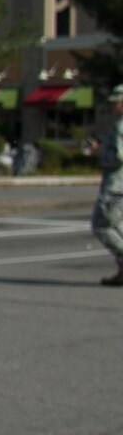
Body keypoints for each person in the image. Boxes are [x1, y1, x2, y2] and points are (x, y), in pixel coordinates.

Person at [96, 83, 123, 287]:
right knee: (119, 227)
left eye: (117, 102)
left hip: (117, 184)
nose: (113, 106)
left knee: (102, 225)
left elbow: (118, 156)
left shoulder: (121, 126)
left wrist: (100, 153)